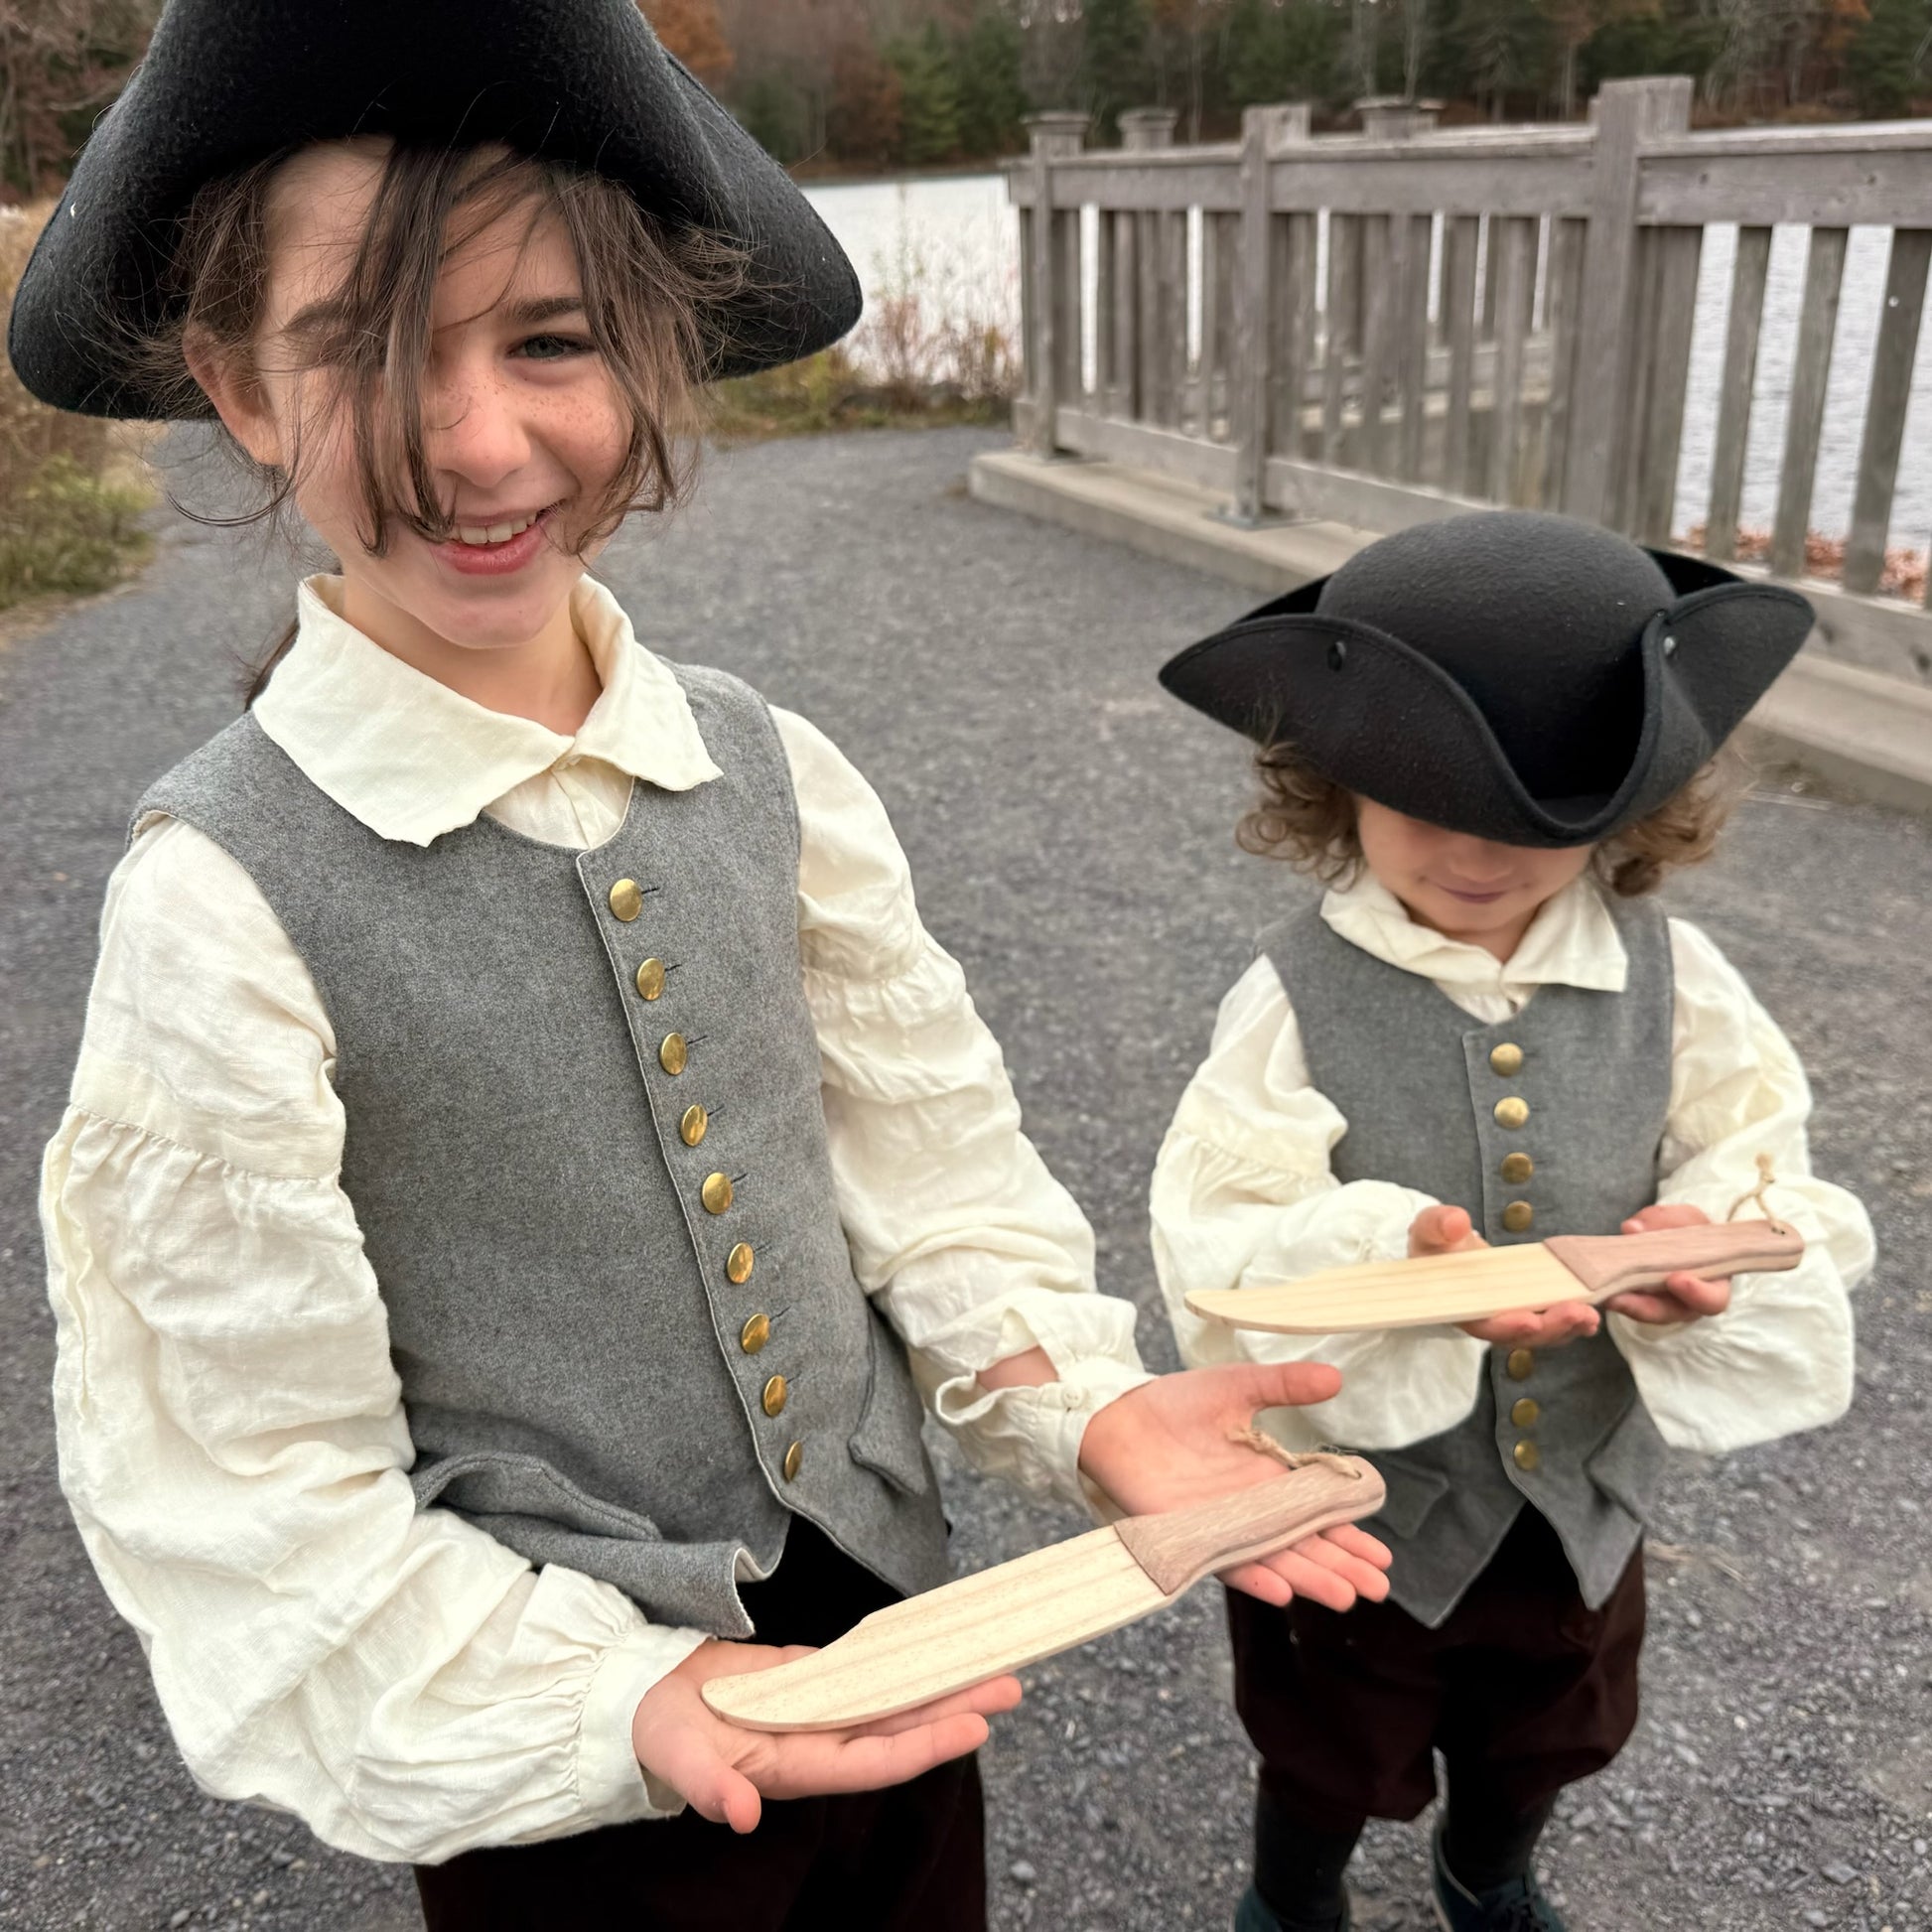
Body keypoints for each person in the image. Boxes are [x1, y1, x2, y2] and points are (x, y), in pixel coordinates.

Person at [18, 4, 1389, 1926]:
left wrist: (1078, 1398)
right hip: (566, 1712)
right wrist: (609, 1693)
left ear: (650, 346)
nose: (480, 442)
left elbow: (922, 1167)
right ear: (238, 391)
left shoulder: (770, 767)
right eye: (363, 353)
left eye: (551, 339)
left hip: (882, 1617)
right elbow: (249, 1463)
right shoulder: (221, 896)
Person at [1146, 511, 1875, 1932]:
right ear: (1334, 783)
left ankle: (1490, 1866)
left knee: (1541, 1711)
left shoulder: (1678, 975)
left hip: (1574, 1486)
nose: (1474, 855)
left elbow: (1754, 1143)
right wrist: (1386, 1261)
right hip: (1368, 1493)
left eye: (1534, 822)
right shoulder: (1295, 992)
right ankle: (1292, 1892)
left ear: (1626, 812)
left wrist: (1704, 1238)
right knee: (1324, 1727)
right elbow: (1223, 1220)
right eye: (1424, 802)